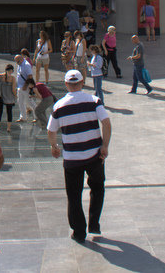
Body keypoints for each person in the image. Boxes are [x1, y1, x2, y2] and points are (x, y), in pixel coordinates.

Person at [47, 69, 111, 243]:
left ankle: (79, 231)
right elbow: (106, 123)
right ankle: (94, 224)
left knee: (74, 195)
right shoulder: (94, 101)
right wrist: (104, 145)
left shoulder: (59, 106)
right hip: (94, 156)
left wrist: (54, 147)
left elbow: (51, 130)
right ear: (82, 83)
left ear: (66, 84)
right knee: (97, 188)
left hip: (72, 159)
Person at [0, 65, 16, 133]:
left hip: (0, 96)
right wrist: (15, 96)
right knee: (9, 112)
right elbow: (13, 89)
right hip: (9, 97)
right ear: (11, 70)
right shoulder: (12, 78)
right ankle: (8, 128)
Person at [14, 53, 36, 122]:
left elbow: (30, 76)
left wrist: (25, 85)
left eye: (18, 61)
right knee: (20, 102)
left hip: (25, 87)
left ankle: (37, 116)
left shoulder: (26, 65)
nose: (17, 63)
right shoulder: (20, 65)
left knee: (30, 102)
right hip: (20, 86)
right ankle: (23, 117)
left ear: (21, 59)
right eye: (16, 61)